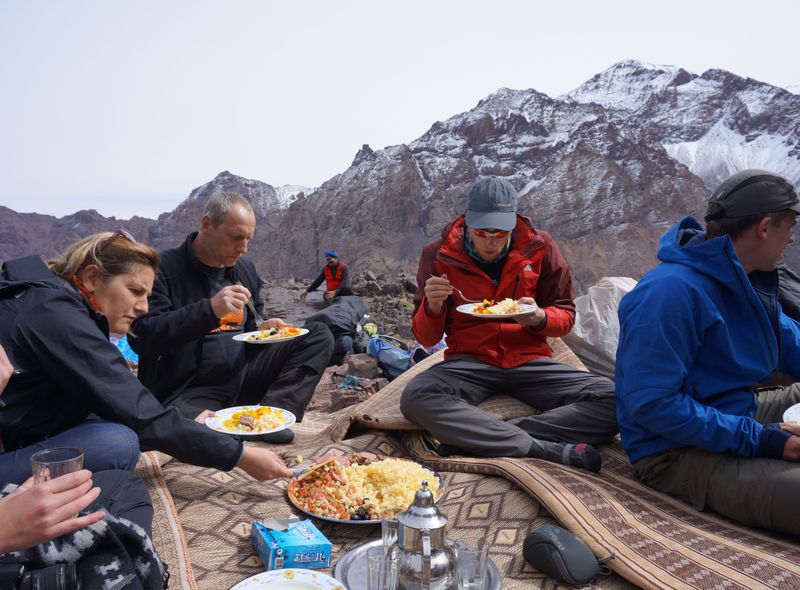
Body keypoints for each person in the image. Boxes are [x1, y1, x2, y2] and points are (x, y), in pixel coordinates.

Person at [0, 232, 293, 485]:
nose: (143, 307)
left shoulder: (47, 301)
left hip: (22, 428)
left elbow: (119, 399)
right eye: (135, 292)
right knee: (119, 443)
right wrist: (240, 456)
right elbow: (138, 411)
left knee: (115, 422)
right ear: (91, 278)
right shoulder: (58, 317)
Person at [615, 169, 800, 537]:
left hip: (734, 413)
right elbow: (652, 405)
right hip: (674, 451)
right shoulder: (669, 294)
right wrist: (760, 439)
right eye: (788, 228)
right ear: (764, 227)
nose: (791, 238)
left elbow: (788, 339)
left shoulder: (745, 279)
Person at [400, 176, 618, 472]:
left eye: (500, 233)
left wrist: (540, 318)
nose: (491, 242)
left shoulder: (539, 247)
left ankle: (485, 437)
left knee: (617, 400)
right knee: (416, 397)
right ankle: (537, 447)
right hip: (470, 362)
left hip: (529, 361)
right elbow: (426, 337)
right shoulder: (438, 254)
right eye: (482, 232)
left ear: (513, 224)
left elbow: (565, 316)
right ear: (466, 222)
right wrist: (433, 306)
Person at [130, 192, 334, 440]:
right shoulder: (162, 270)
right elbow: (141, 336)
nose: (244, 248)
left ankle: (273, 418)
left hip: (242, 378)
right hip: (187, 392)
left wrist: (265, 328)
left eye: (248, 239)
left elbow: (251, 325)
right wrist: (210, 310)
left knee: (319, 335)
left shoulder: (243, 270)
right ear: (207, 224)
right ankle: (224, 427)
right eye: (236, 238)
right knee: (198, 431)